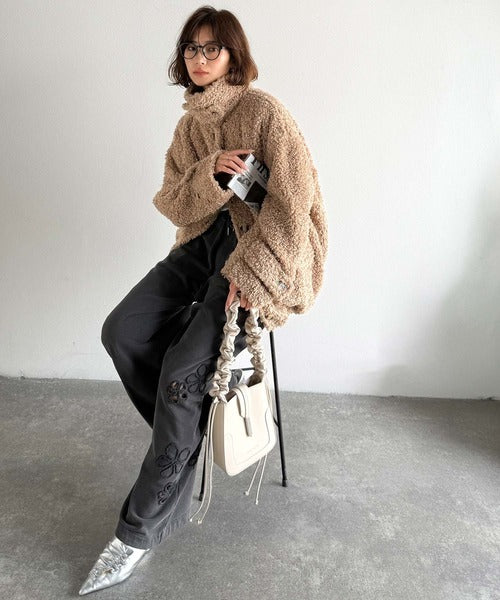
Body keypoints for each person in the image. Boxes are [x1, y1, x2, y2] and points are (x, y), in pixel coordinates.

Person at [78, 5, 328, 596]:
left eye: (212, 48)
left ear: (234, 55)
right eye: (191, 48)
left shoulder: (265, 112)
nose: (199, 58)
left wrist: (256, 273)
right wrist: (209, 173)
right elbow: (171, 202)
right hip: (203, 244)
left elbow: (297, 205)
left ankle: (136, 533)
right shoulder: (190, 127)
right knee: (122, 331)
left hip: (262, 253)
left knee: (178, 379)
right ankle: (184, 432)